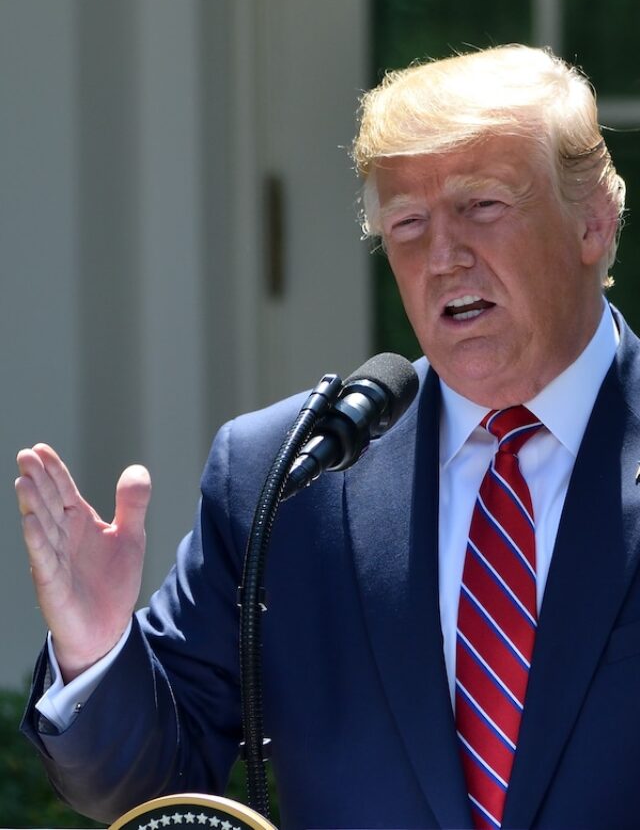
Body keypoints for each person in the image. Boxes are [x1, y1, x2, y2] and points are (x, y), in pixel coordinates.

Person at [15, 44, 638, 829]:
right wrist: (98, 652)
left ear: (593, 222)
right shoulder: (285, 475)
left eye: (482, 205)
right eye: (406, 223)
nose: (441, 256)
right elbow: (153, 786)